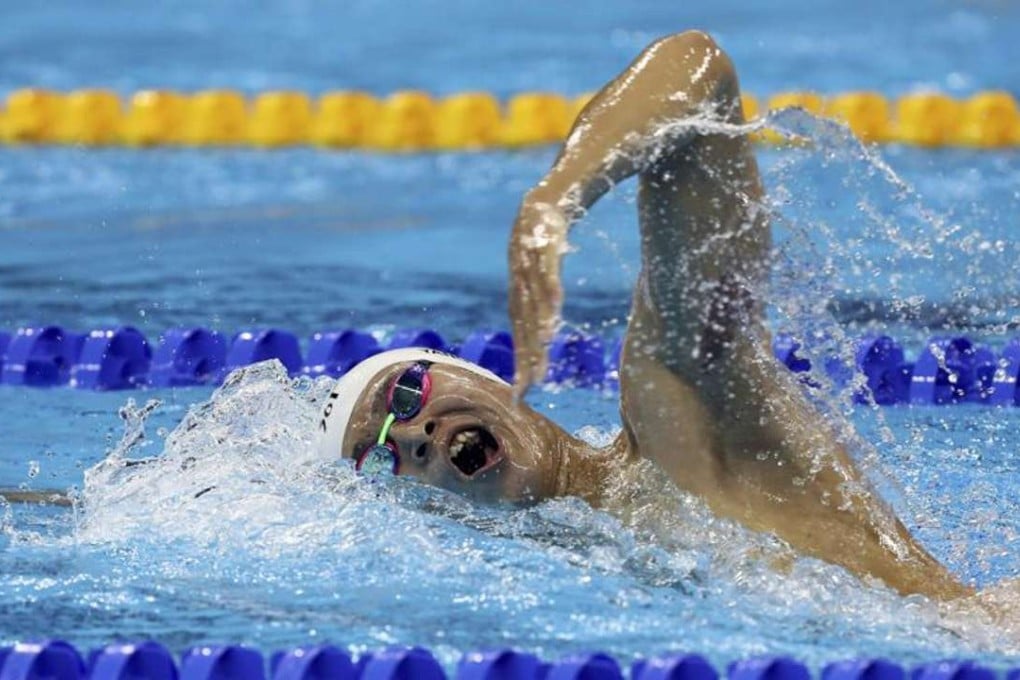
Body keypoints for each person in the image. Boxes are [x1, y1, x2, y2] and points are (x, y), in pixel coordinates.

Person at [315, 30, 971, 601]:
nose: (412, 437)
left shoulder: (672, 415)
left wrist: (554, 197)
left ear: (482, 379)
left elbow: (699, 68)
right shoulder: (582, 579)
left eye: (403, 396)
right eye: (382, 460)